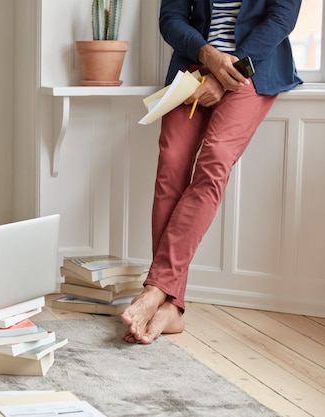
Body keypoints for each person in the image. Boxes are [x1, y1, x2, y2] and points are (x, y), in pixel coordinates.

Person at [121, 0, 302, 344]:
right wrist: (208, 56)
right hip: (192, 69)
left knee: (214, 160)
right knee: (170, 168)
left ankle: (155, 289)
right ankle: (171, 306)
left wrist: (229, 72)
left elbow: (281, 18)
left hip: (253, 71)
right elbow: (171, 18)